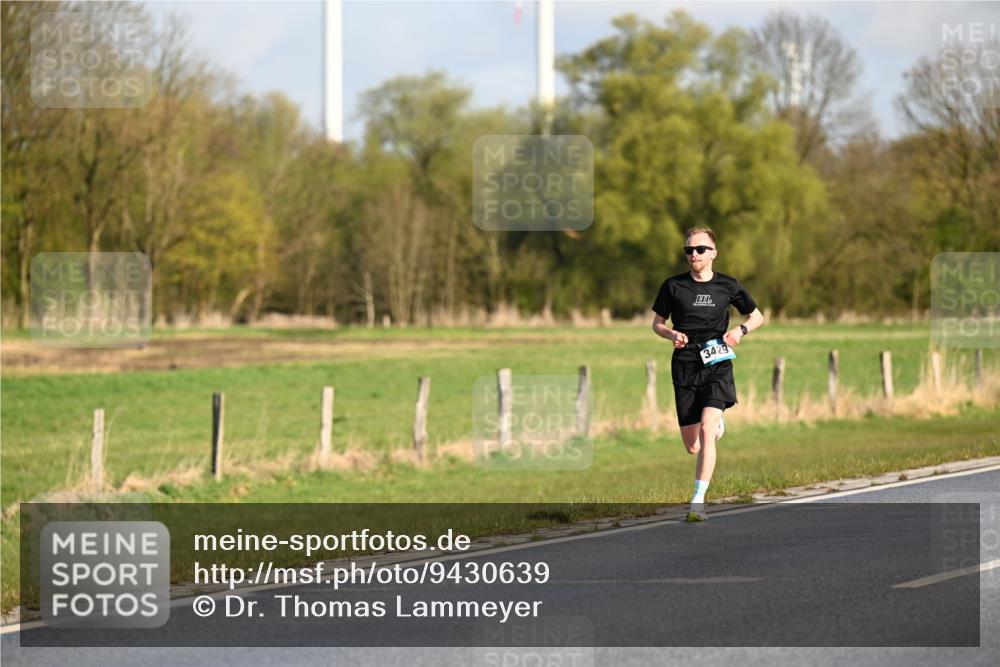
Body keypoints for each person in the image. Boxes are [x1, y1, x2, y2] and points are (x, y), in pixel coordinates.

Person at [651, 227, 765, 522]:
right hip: (685, 364)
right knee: (693, 446)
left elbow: (757, 316)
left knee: (706, 428)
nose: (694, 255)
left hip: (718, 363)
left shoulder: (728, 285)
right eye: (688, 250)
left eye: (700, 249)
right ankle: (713, 426)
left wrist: (740, 331)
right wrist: (670, 334)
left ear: (713, 253)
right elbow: (657, 323)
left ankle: (698, 500)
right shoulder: (673, 286)